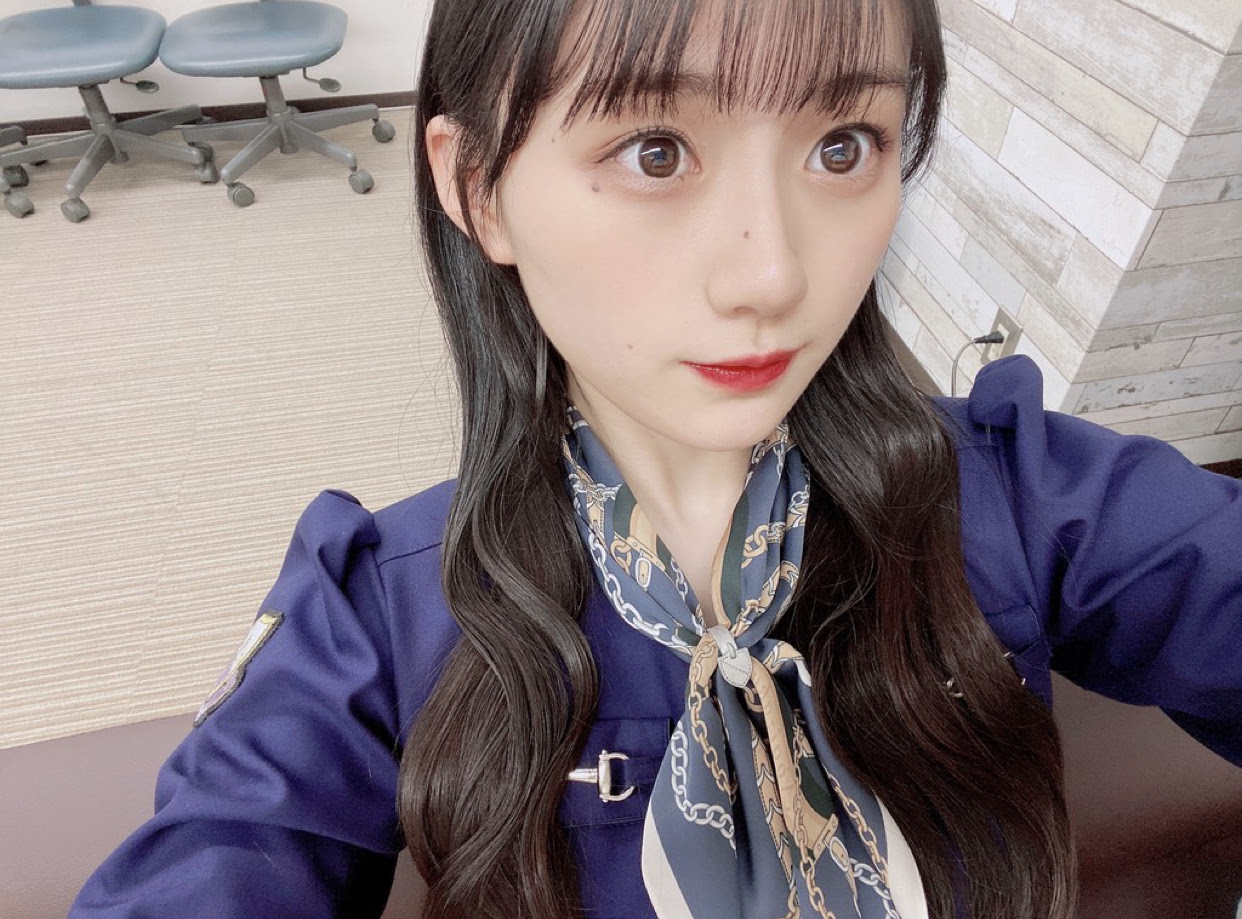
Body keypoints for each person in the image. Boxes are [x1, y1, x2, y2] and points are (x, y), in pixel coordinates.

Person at [70, 0, 1242, 917]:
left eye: (843, 145)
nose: (773, 274)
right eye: (655, 151)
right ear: (478, 188)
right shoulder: (376, 625)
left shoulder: (1025, 497)